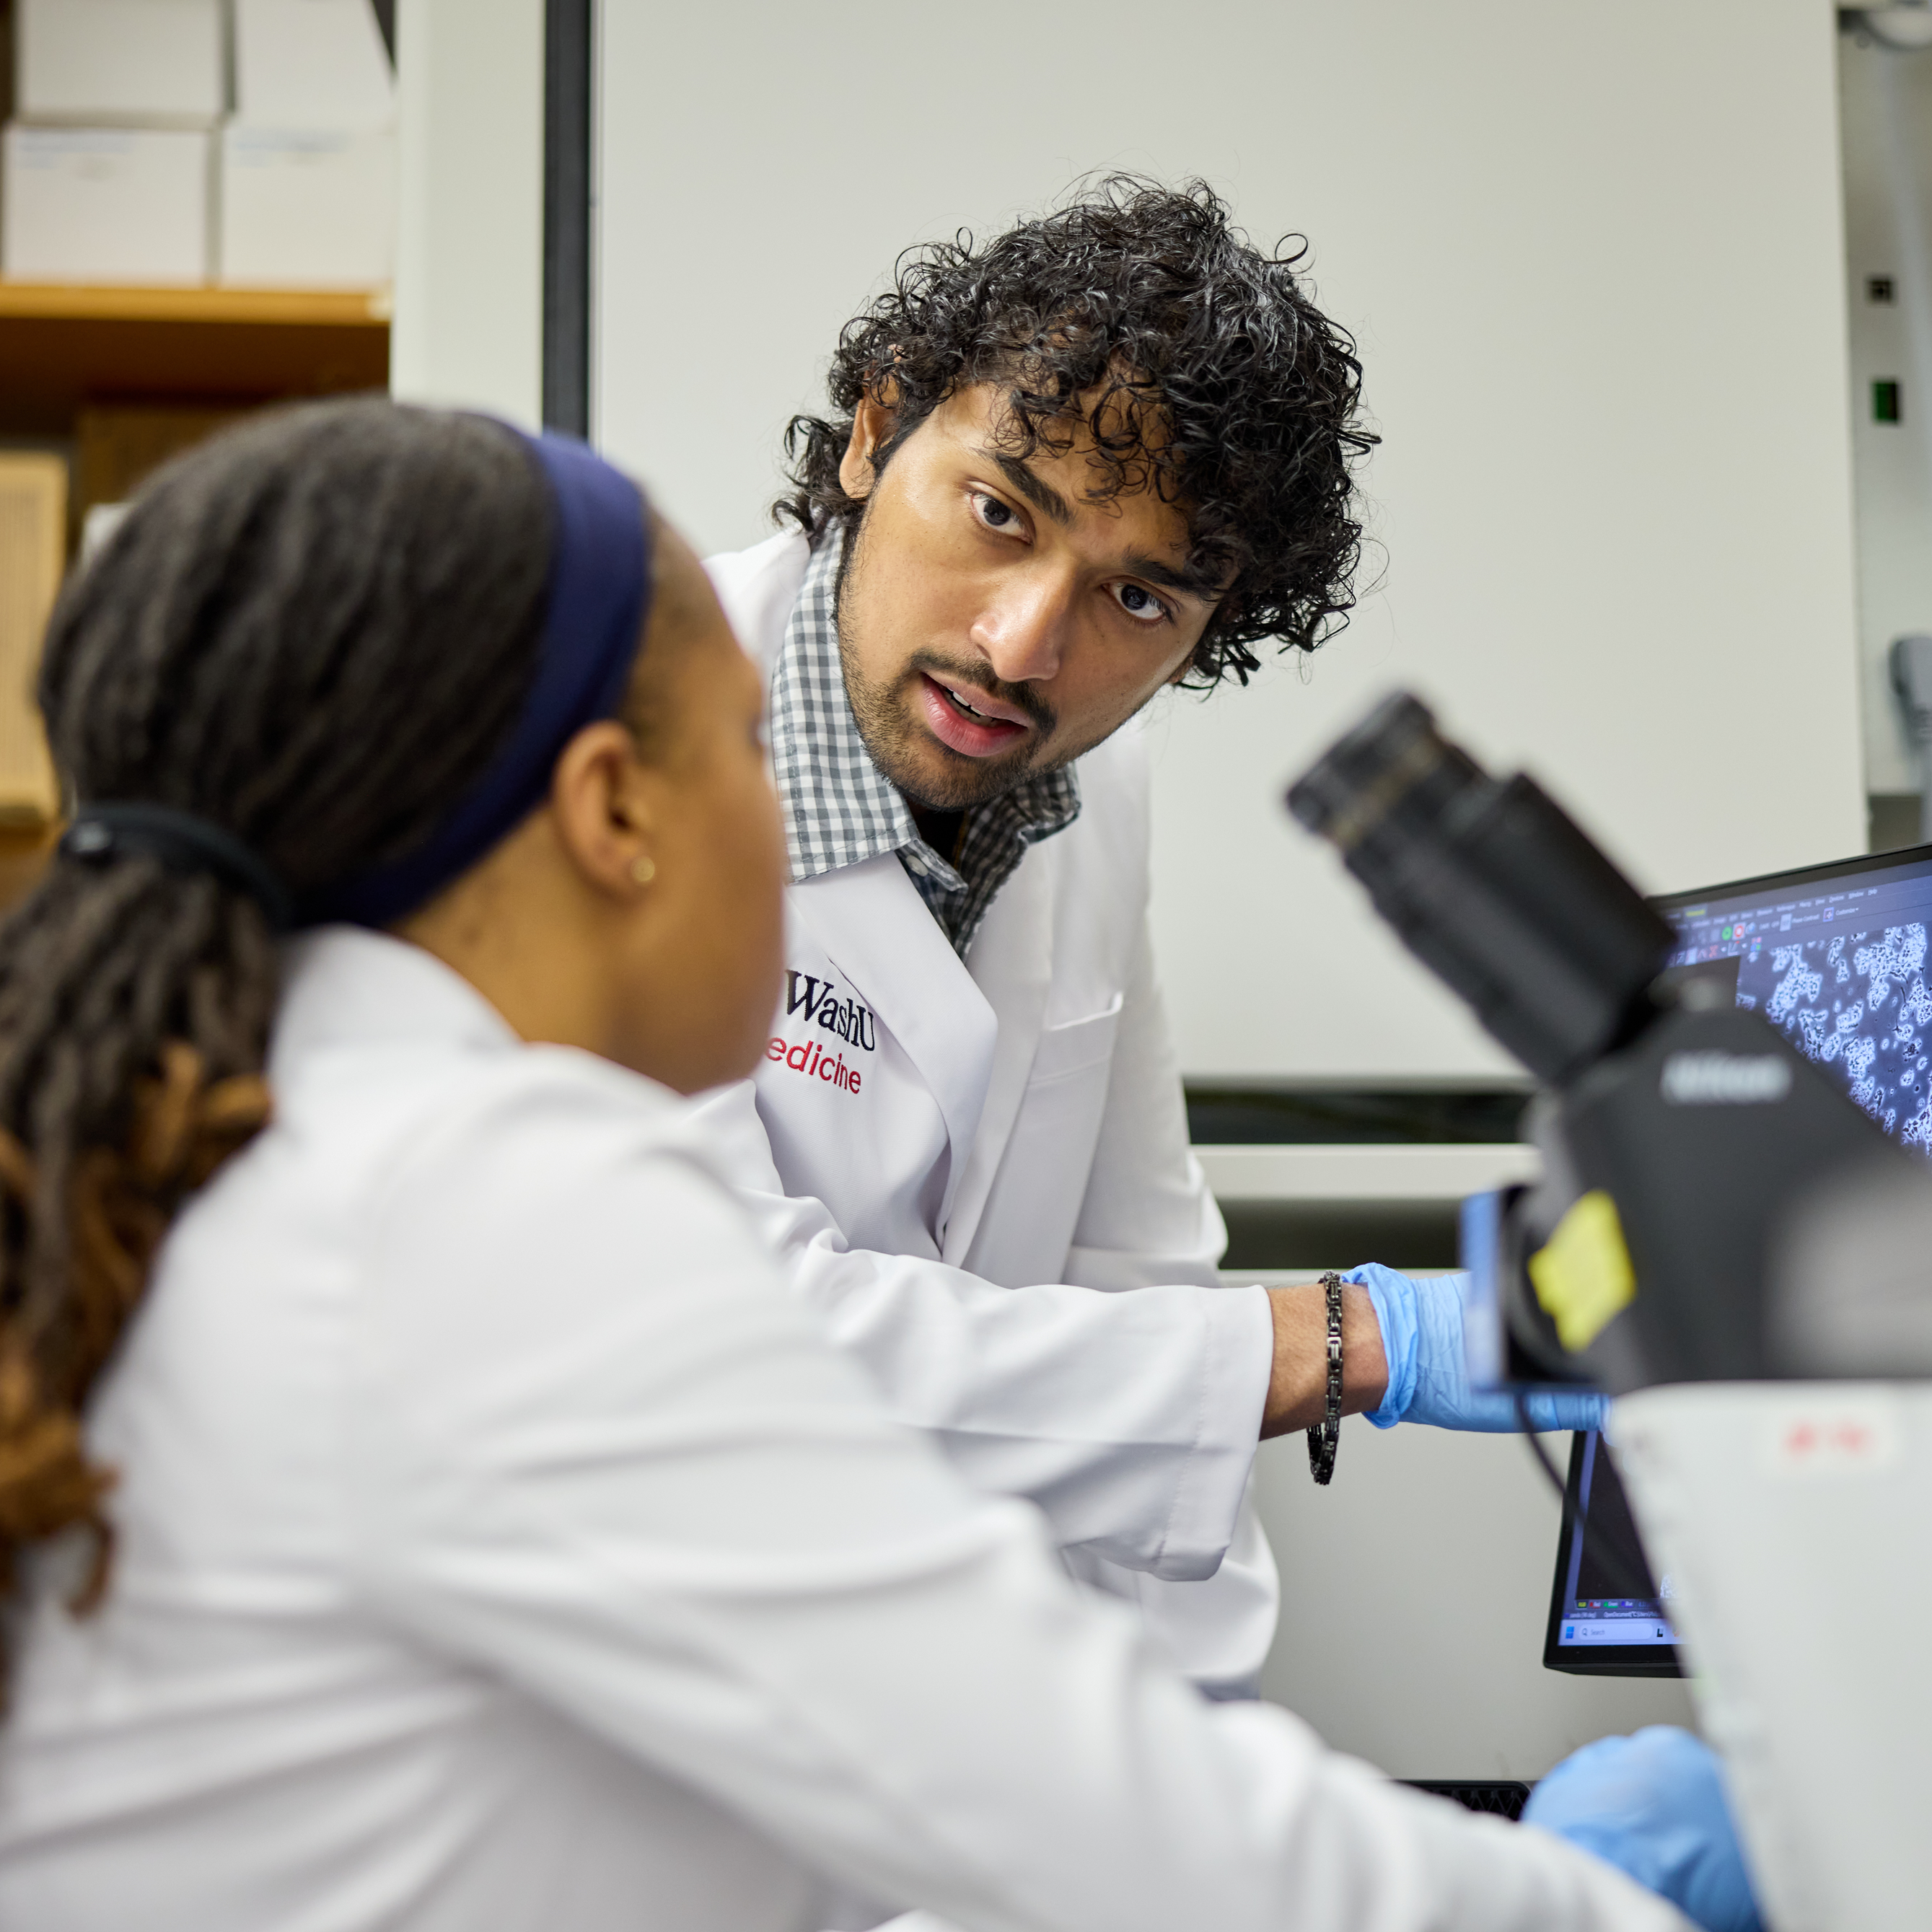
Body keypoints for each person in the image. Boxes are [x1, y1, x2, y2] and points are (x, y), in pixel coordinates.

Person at [0, 399, 1757, 1930]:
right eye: (756, 752)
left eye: (1143, 591)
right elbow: (1094, 1815)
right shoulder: (474, 1201)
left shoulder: (272, 1149)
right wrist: (1586, 1893)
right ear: (615, 813)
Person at [695, 176, 1602, 1693]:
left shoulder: (1086, 790)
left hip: (921, 1750)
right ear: (873, 432)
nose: (1024, 647)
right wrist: (1360, 1340)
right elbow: (736, 1351)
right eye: (999, 512)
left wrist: (1227, 1817)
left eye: (1136, 596)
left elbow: (1132, 1285)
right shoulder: (613, 750)